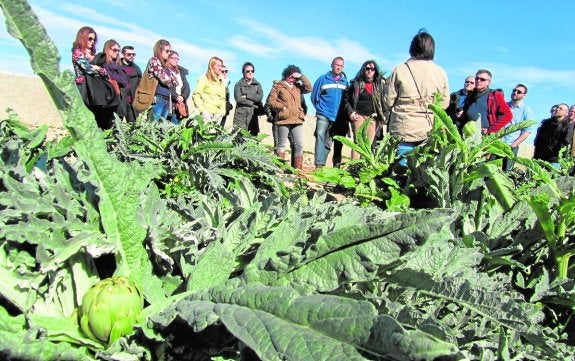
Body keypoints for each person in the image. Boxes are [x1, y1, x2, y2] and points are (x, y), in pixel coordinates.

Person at [384, 30, 449, 166]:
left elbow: (388, 100)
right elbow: (444, 103)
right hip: (429, 127)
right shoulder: (440, 72)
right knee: (424, 173)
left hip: (403, 126)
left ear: (412, 48)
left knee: (401, 173)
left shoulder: (400, 69)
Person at [266, 65, 312, 170]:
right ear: (286, 75)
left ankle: (297, 170)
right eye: (291, 77)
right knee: (281, 145)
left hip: (297, 120)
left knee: (299, 145)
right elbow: (271, 101)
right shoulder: (278, 86)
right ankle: (279, 169)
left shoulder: (298, 87)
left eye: (295, 78)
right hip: (283, 119)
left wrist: (301, 76)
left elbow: (309, 88)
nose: (293, 79)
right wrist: (283, 107)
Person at [72, 26, 119, 129]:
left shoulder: (93, 54)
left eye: (94, 39)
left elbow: (104, 72)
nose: (92, 41)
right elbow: (87, 68)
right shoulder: (77, 51)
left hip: (95, 88)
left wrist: (99, 69)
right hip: (83, 87)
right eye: (90, 39)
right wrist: (99, 69)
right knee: (84, 116)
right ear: (82, 37)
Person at [310, 56, 348, 168]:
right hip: (323, 114)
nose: (338, 67)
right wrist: (320, 108)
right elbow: (314, 96)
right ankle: (319, 165)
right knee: (320, 135)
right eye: (336, 65)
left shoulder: (345, 82)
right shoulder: (322, 79)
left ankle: (330, 165)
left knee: (329, 141)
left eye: (341, 66)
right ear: (332, 65)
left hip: (338, 117)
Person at [345, 60, 386, 160]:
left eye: (372, 69)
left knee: (368, 144)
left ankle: (363, 169)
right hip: (359, 116)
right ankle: (353, 168)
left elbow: (383, 101)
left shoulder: (379, 84)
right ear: (364, 69)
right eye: (367, 68)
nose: (370, 71)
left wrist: (383, 116)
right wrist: (351, 112)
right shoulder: (356, 84)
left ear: (375, 71)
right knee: (358, 142)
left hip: (373, 117)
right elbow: (346, 100)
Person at [461, 69, 512, 136]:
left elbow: (508, 115)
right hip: (468, 134)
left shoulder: (495, 95)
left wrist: (491, 129)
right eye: (477, 78)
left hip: (485, 136)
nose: (478, 81)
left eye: (482, 79)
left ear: (488, 82)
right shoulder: (470, 95)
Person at [91, 39, 126, 129]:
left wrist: (107, 73)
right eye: (114, 50)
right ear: (107, 49)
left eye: (118, 50)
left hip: (115, 101)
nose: (117, 52)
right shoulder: (100, 59)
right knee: (100, 127)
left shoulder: (117, 65)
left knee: (112, 128)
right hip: (103, 101)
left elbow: (123, 80)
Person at [501, 84, 535, 171]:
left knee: (506, 172)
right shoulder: (503, 105)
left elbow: (527, 131)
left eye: (519, 92)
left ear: (524, 95)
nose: (515, 93)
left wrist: (514, 144)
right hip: (498, 143)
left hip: (511, 145)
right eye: (514, 90)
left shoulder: (526, 110)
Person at [145, 39, 177, 121]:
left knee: (161, 126)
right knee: (153, 124)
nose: (169, 53)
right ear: (160, 50)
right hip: (157, 97)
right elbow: (165, 79)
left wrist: (170, 80)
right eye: (167, 51)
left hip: (166, 98)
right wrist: (170, 80)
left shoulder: (165, 66)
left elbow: (175, 82)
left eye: (170, 51)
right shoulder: (154, 60)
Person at [533, 103, 570, 168]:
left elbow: (565, 142)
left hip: (553, 160)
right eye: (557, 107)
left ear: (566, 113)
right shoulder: (546, 122)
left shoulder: (568, 126)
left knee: (551, 177)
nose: (557, 109)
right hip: (539, 157)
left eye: (560, 108)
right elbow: (539, 139)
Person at [192, 56, 227, 124]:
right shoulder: (204, 78)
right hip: (206, 113)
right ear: (212, 66)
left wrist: (222, 112)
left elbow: (223, 98)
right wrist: (202, 111)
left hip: (217, 115)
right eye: (218, 66)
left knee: (214, 134)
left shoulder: (221, 81)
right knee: (203, 133)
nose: (220, 68)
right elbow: (196, 95)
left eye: (221, 66)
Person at [232, 62, 264, 136]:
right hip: (240, 116)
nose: (250, 72)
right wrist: (252, 103)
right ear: (243, 72)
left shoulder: (258, 85)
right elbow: (238, 98)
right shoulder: (238, 84)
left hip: (253, 115)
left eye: (252, 71)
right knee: (239, 137)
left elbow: (259, 98)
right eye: (248, 71)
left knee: (253, 139)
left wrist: (246, 95)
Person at [118, 45, 142, 123]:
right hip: (120, 100)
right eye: (129, 54)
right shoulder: (116, 66)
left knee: (133, 126)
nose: (131, 56)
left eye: (133, 54)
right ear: (123, 54)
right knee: (116, 126)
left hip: (132, 102)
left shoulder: (137, 69)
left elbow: (140, 84)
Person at [166, 51, 190, 125]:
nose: (176, 60)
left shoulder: (181, 72)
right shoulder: (165, 71)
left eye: (177, 58)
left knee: (175, 128)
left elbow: (186, 87)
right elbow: (167, 86)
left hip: (178, 105)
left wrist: (183, 97)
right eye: (174, 58)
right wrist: (176, 96)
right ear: (168, 58)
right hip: (169, 102)